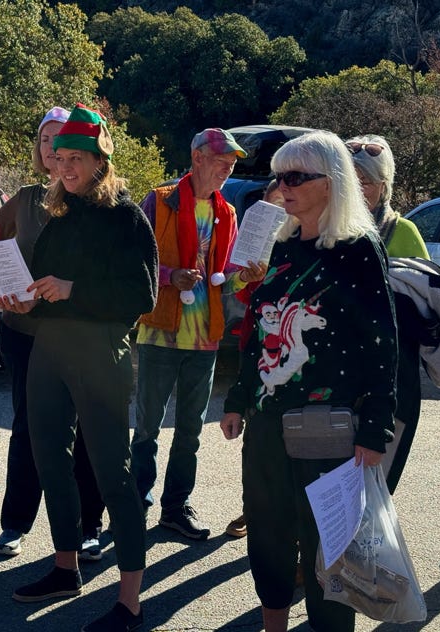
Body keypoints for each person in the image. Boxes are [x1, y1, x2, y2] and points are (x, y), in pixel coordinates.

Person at [220, 130, 397, 632]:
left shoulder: (358, 249)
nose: (283, 186)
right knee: (267, 533)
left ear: (331, 182)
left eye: (297, 176)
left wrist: (375, 427)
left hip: (329, 424)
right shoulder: (278, 246)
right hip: (267, 419)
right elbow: (259, 330)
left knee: (329, 545)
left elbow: (381, 340)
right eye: (279, 176)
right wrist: (237, 397)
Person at [0, 103, 158, 632]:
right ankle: (65, 568)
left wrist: (72, 289)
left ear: (100, 160)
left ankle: (130, 602)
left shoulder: (125, 216)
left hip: (100, 352)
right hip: (48, 349)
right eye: (59, 156)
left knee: (113, 474)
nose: (64, 167)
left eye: (76, 159)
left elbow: (143, 295)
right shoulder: (59, 211)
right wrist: (26, 300)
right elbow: (47, 286)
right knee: (49, 460)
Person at [131, 127, 255, 540]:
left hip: (205, 337)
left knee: (189, 432)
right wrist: (171, 276)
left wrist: (246, 276)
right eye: (222, 161)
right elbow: (135, 261)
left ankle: (175, 507)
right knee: (147, 428)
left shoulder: (227, 212)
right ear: (197, 157)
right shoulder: (159, 199)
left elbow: (226, 278)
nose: (228, 168)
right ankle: (136, 503)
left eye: (232, 163)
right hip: (160, 332)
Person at [0, 106, 105, 561]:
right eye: (45, 140)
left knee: (85, 433)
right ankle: (15, 524)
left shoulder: (100, 205)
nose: (53, 149)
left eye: (61, 141)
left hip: (78, 336)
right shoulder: (23, 199)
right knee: (27, 429)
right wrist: (0, 286)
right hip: (23, 332)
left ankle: (89, 527)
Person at [346, 134, 430, 493]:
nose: (356, 189)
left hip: (394, 375)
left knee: (378, 478)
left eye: (365, 181)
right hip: (337, 373)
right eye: (349, 179)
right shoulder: (326, 230)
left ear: (384, 185)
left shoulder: (403, 232)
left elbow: (426, 306)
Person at [225, 179, 282, 540]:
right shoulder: (257, 238)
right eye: (272, 206)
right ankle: (252, 507)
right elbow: (240, 292)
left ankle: (283, 518)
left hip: (290, 352)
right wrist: (248, 278)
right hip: (255, 345)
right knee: (255, 438)